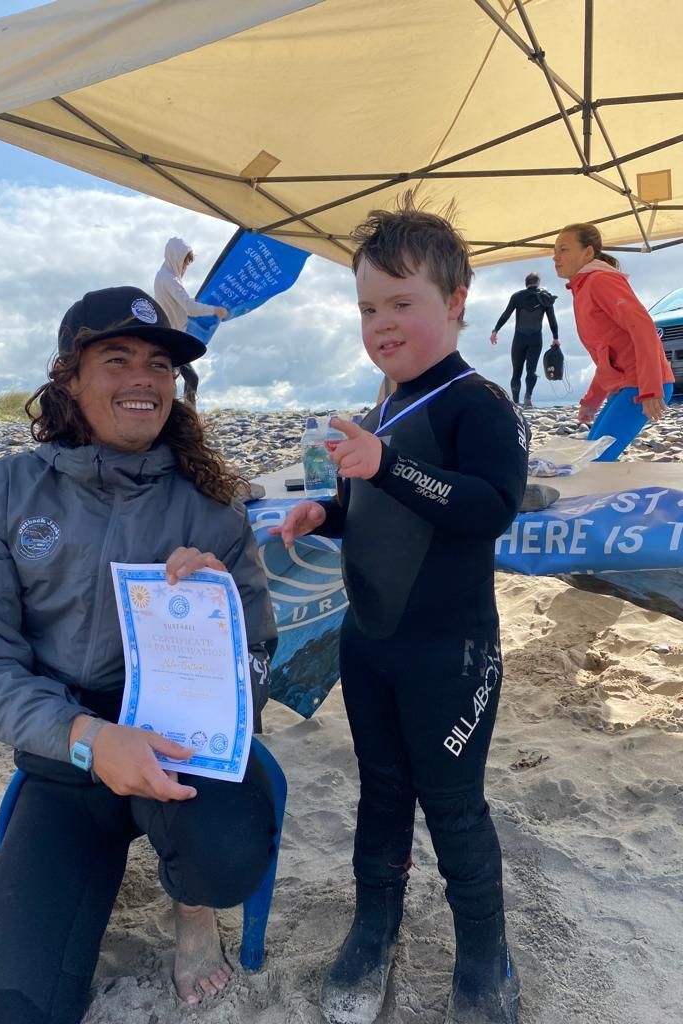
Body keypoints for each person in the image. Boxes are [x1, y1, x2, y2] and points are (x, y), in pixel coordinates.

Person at [0, 286, 278, 1024]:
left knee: (225, 859)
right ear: (68, 377)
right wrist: (90, 739)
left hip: (180, 743)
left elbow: (258, 655)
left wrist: (220, 626)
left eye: (158, 365)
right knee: (5, 1009)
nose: (141, 380)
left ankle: (193, 909)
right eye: (116, 358)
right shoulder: (0, 495)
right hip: (67, 751)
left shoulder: (211, 506)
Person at [272, 195, 528, 1024]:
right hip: (371, 645)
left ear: (455, 302)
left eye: (402, 303)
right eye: (367, 308)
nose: (381, 323)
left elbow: (487, 507)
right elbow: (372, 508)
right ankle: (374, 925)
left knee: (453, 804)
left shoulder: (476, 403)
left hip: (450, 656)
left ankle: (483, 953)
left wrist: (383, 468)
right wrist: (325, 512)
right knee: (380, 791)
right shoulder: (381, 409)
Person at [553, 222, 674, 460]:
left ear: (588, 252)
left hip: (642, 384)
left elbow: (644, 329)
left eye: (563, 250)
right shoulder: (582, 288)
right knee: (592, 455)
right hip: (627, 384)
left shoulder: (600, 281)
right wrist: (591, 401)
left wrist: (650, 389)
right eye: (554, 251)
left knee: (597, 459)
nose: (555, 257)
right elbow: (607, 356)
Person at [154, 237, 228, 406]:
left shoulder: (165, 276)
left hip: (170, 336)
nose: (185, 267)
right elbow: (189, 307)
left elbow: (181, 302)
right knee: (190, 378)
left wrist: (195, 301)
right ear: (175, 258)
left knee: (173, 379)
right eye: (184, 263)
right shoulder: (169, 279)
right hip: (171, 339)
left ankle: (178, 416)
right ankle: (187, 416)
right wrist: (215, 310)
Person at [490, 272, 559, 408]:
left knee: (517, 371)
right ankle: (528, 398)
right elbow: (552, 319)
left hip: (519, 339)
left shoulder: (517, 296)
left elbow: (506, 314)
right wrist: (555, 337)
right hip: (536, 339)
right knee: (531, 371)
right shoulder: (545, 297)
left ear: (526, 283)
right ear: (538, 283)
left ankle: (515, 402)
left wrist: (495, 330)